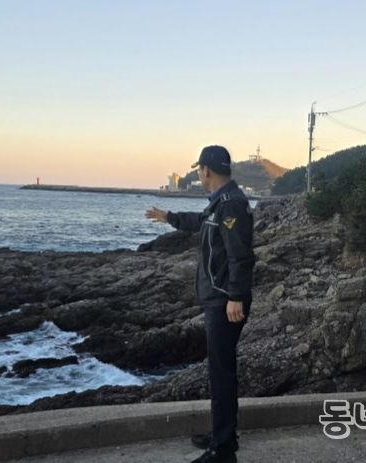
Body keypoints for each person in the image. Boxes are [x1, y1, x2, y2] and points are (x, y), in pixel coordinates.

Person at [145, 145, 254, 463]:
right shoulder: (220, 203)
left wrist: (235, 296)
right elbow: (200, 222)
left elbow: (240, 255)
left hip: (224, 300)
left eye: (199, 169)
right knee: (221, 371)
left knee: (221, 374)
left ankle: (223, 449)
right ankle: (223, 434)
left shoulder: (230, 204)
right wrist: (169, 217)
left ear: (206, 170)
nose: (198, 174)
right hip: (221, 297)